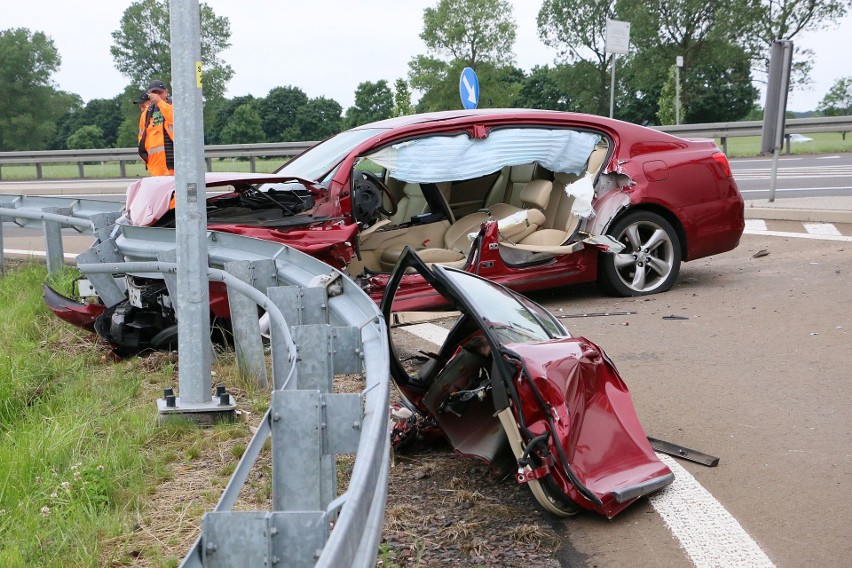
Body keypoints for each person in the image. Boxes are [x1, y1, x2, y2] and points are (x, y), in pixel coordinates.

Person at [137, 79, 175, 176]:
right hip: (156, 166)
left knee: (176, 191)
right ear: (149, 95)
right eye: (154, 93)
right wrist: (145, 158)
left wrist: (159, 102)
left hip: (175, 163)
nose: (157, 95)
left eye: (160, 92)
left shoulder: (174, 106)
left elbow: (174, 118)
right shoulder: (147, 114)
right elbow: (142, 138)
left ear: (166, 92)